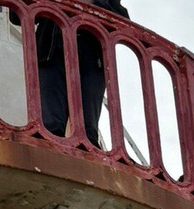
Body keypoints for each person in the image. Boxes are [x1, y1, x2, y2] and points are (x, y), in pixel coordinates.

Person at [10, 0, 130, 147]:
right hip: (51, 54)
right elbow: (15, 16)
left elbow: (123, 23)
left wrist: (92, 3)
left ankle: (87, 155)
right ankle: (47, 152)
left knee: (88, 133)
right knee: (50, 125)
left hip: (91, 59)